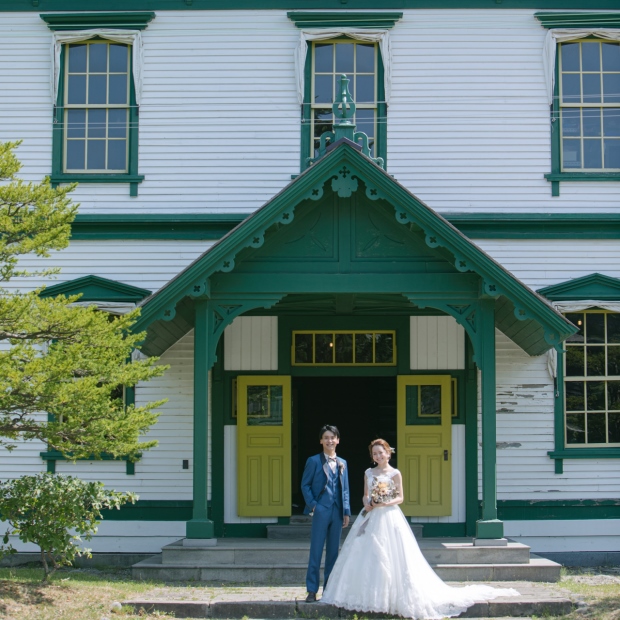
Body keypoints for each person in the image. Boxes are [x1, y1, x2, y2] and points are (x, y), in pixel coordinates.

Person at [320, 438, 519, 619]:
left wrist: (384, 501)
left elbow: (400, 498)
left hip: (389, 515)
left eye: (382, 452)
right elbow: (365, 494)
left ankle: (393, 597)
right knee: (367, 553)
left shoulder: (395, 473)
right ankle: (367, 595)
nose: (378, 456)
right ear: (372, 457)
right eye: (375, 453)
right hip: (371, 516)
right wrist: (367, 502)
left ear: (388, 453)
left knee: (394, 555)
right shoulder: (368, 473)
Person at [301, 424, 351, 603]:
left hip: (337, 511)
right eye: (326, 437)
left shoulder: (342, 463)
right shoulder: (314, 461)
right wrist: (314, 505)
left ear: (338, 440)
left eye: (333, 437)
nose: (330, 440)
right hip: (321, 510)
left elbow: (345, 489)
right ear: (321, 440)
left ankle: (329, 589)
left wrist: (346, 511)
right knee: (316, 550)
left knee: (333, 552)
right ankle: (312, 590)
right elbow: (305, 485)